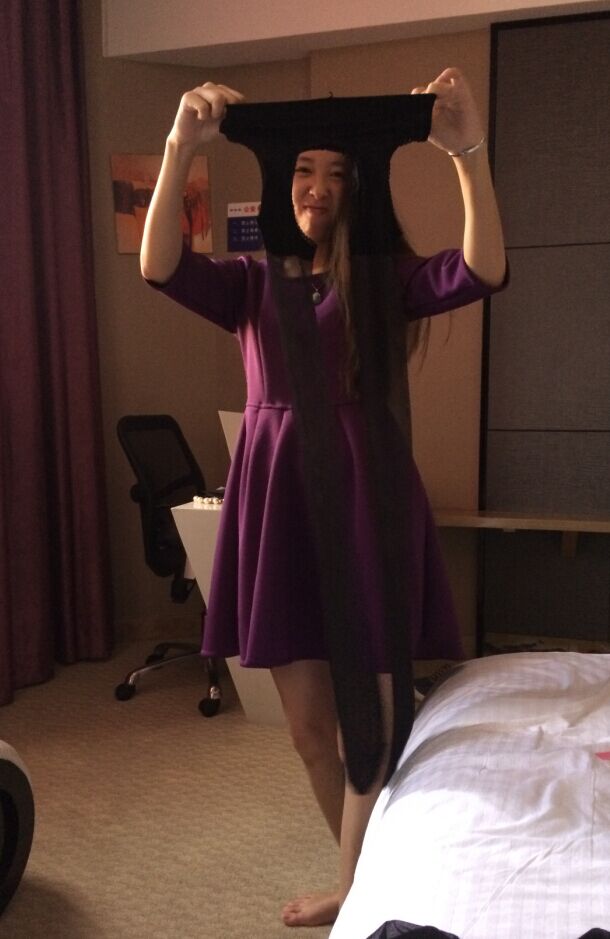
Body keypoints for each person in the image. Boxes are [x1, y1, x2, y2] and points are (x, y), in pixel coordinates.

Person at [141, 67, 506, 928]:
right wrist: (180, 146)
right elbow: (158, 264)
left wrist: (467, 153)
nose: (317, 186)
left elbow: (484, 266)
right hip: (279, 506)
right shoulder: (250, 280)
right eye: (304, 169)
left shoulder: (382, 277)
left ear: (358, 189)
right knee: (309, 730)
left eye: (338, 173)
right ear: (283, 181)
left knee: (365, 724)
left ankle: (356, 890)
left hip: (365, 505)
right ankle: (366, 874)